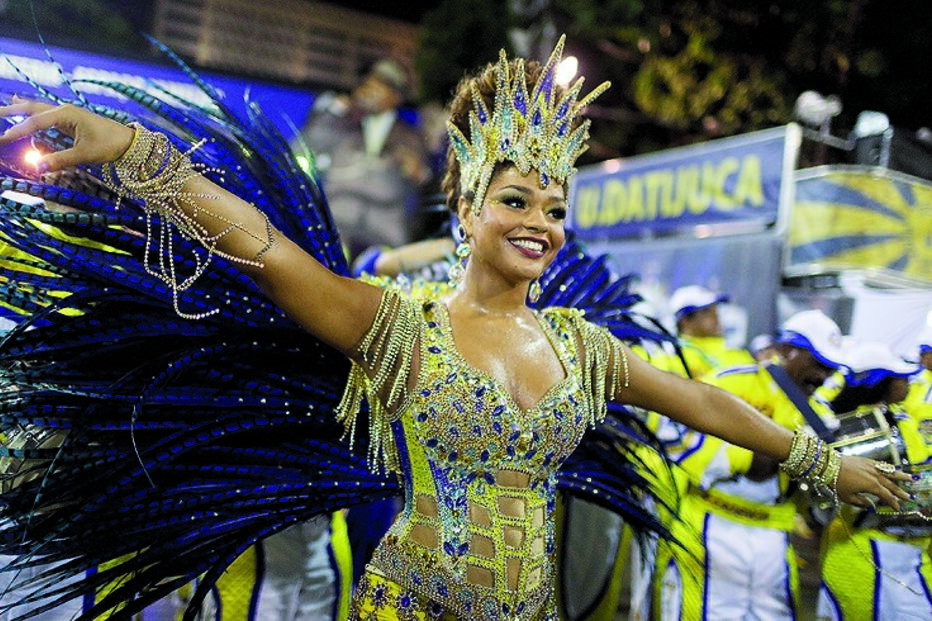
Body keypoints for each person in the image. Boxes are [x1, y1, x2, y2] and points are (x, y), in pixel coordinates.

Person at [0, 37, 909, 620]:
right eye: (516, 200)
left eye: (555, 208)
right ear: (467, 210)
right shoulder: (397, 328)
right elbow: (266, 249)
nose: (540, 223)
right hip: (409, 603)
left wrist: (823, 461)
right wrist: (136, 150)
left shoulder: (583, 348)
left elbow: (701, 398)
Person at [653, 309, 856, 620]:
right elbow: (672, 434)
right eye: (817, 363)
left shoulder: (821, 414)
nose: (823, 376)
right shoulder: (733, 381)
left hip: (774, 536)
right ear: (786, 350)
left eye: (830, 368)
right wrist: (749, 455)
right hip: (712, 524)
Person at [817, 341, 932, 619]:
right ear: (881, 382)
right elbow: (894, 498)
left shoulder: (900, 419)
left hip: (906, 553)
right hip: (870, 554)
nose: (908, 381)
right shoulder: (853, 430)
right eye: (900, 376)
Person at [294, 57, 432, 258]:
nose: (371, 90)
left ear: (396, 97)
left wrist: (417, 172)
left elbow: (424, 179)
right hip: (339, 218)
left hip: (385, 227)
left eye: (381, 86)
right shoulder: (341, 123)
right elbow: (303, 146)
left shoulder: (410, 137)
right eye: (369, 84)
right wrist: (336, 112)